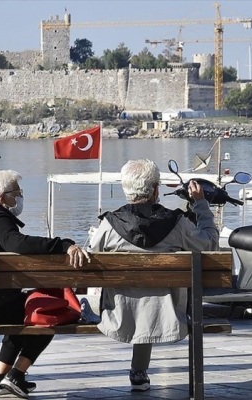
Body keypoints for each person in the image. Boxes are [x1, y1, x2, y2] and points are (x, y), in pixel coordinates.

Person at [0, 170, 87, 399]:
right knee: (49, 313)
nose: (20, 197)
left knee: (20, 308)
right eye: (17, 193)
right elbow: (17, 242)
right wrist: (62, 245)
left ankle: (0, 377)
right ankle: (17, 374)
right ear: (3, 197)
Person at [88, 159, 218, 392]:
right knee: (150, 300)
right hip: (168, 313)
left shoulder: (109, 225)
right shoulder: (177, 223)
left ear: (126, 190)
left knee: (139, 298)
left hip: (119, 313)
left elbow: (90, 261)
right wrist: (201, 206)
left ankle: (139, 371)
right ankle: (139, 371)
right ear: (156, 190)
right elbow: (210, 245)